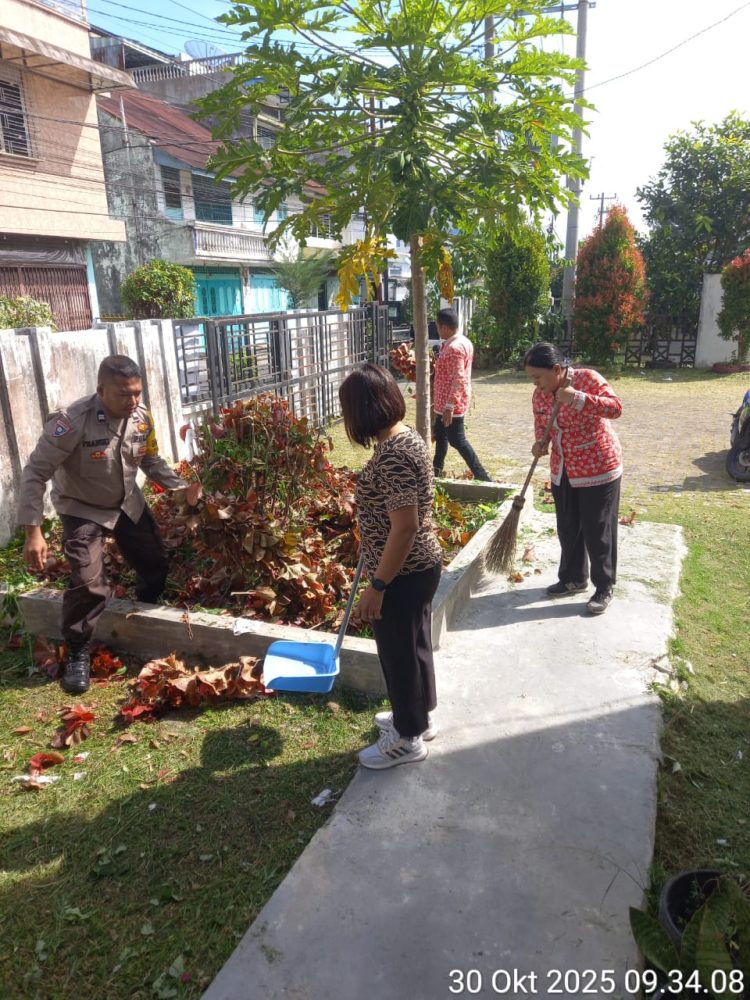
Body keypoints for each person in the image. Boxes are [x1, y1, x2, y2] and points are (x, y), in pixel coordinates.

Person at [16, 355, 200, 694]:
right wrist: (33, 530)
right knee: (88, 582)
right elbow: (34, 473)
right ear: (101, 390)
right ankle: (78, 651)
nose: (132, 401)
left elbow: (150, 459)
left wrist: (180, 489)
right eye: (123, 394)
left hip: (127, 503)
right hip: (82, 508)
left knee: (156, 564)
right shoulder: (71, 422)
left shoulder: (141, 418)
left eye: (137, 393)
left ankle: (143, 605)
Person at [338, 363, 443, 769]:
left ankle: (407, 739)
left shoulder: (393, 457)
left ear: (362, 411)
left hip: (402, 574)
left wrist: (377, 586)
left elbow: (405, 527)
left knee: (397, 654)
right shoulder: (407, 438)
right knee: (414, 645)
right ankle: (419, 716)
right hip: (420, 568)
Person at [523, 342, 623, 615]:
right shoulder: (540, 395)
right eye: (531, 378)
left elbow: (615, 408)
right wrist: (539, 444)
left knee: (597, 529)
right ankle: (573, 578)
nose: (535, 384)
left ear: (557, 369)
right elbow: (541, 425)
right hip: (563, 467)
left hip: (598, 467)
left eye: (538, 377)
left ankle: (604, 586)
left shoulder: (587, 379)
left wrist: (577, 398)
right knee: (568, 526)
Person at [431, 307, 491, 481]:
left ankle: (483, 476)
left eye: (437, 326)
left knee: (457, 440)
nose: (437, 329)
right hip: (445, 403)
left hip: (451, 403)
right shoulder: (461, 342)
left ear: (444, 327)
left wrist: (450, 405)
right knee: (441, 436)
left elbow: (459, 378)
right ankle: (435, 471)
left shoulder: (455, 348)